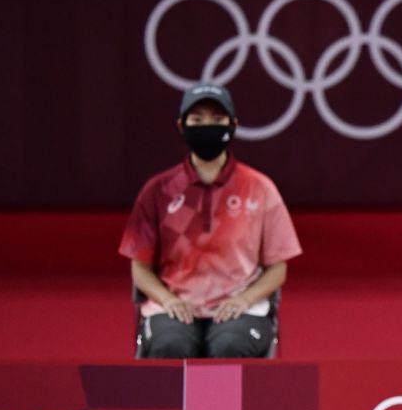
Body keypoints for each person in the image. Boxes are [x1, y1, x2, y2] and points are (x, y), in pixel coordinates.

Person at [120, 82, 301, 359]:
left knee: (229, 347)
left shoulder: (259, 187)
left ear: (233, 125)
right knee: (171, 346)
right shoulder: (158, 190)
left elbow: (278, 268)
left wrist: (244, 299)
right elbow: (140, 269)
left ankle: (217, 405)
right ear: (182, 125)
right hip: (173, 305)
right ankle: (172, 405)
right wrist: (167, 299)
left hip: (240, 307)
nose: (207, 126)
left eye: (217, 120)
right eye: (198, 119)